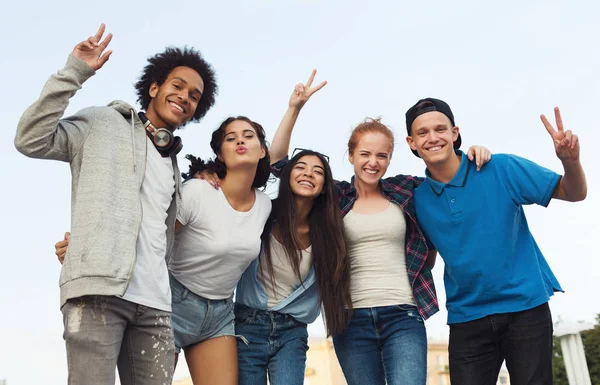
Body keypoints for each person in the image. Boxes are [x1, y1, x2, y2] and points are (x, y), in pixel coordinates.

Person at [15, 24, 217, 385]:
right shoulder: (102, 122)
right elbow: (30, 139)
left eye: (195, 96)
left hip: (156, 304)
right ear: (154, 88)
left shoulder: (172, 163)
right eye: (177, 86)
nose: (185, 97)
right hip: (99, 293)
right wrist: (74, 72)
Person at [269, 82, 491, 385]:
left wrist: (470, 154)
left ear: (390, 158)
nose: (373, 163)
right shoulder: (334, 196)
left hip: (403, 314)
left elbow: (447, 176)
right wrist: (294, 108)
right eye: (365, 154)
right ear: (350, 156)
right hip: (350, 318)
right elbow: (279, 165)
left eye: (382, 156)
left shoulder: (406, 189)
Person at [404, 97, 587, 385]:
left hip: (525, 308)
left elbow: (573, 192)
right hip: (466, 318)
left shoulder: (500, 167)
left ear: (455, 133)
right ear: (411, 142)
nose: (433, 138)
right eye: (422, 133)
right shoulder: (417, 199)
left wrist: (570, 161)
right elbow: (428, 254)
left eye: (440, 129)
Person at [235, 148, 352, 385]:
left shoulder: (329, 234)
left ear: (325, 186)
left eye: (317, 172)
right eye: (300, 167)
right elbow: (270, 159)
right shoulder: (263, 212)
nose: (308, 174)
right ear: (287, 175)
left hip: (292, 331)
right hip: (247, 326)